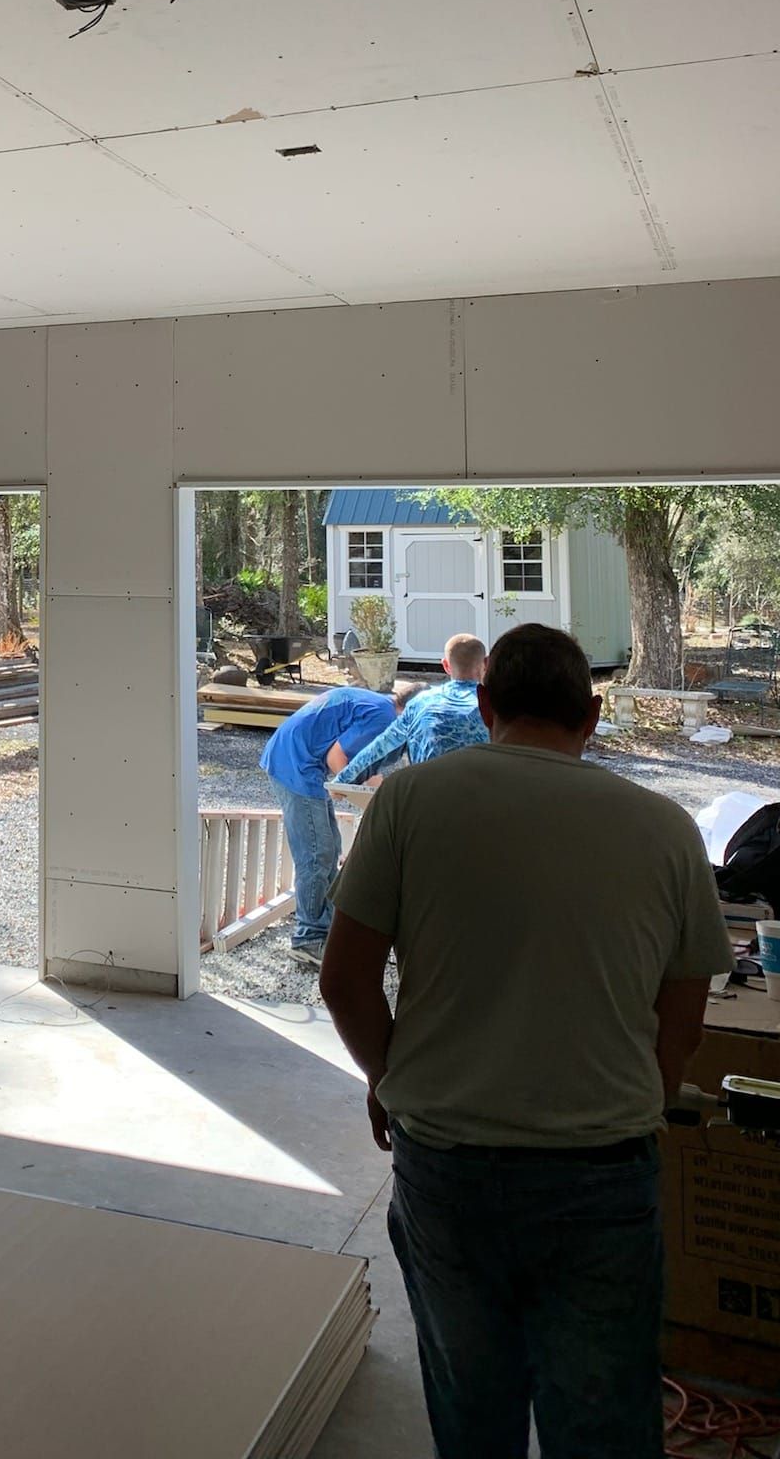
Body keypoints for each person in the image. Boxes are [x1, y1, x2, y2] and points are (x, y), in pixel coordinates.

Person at [319, 623, 731, 1459]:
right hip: (602, 1170)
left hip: (448, 1163)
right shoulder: (662, 828)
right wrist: (641, 1096)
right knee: (605, 1417)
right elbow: (684, 1010)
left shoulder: (411, 801)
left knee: (473, 1410)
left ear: (484, 704)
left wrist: (387, 1072)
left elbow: (345, 978)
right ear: (593, 713)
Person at [261, 681, 417, 966]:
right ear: (410, 711)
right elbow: (337, 757)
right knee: (317, 853)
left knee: (330, 848)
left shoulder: (379, 704)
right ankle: (308, 939)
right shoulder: (383, 716)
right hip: (296, 764)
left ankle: (329, 931)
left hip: (299, 758)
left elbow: (358, 761)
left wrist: (371, 785)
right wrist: (366, 791)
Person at [340, 631, 487, 784]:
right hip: (482, 799)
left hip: (426, 798)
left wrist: (341, 780)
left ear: (445, 665)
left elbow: (380, 747)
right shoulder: (498, 705)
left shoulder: (420, 703)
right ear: (486, 663)